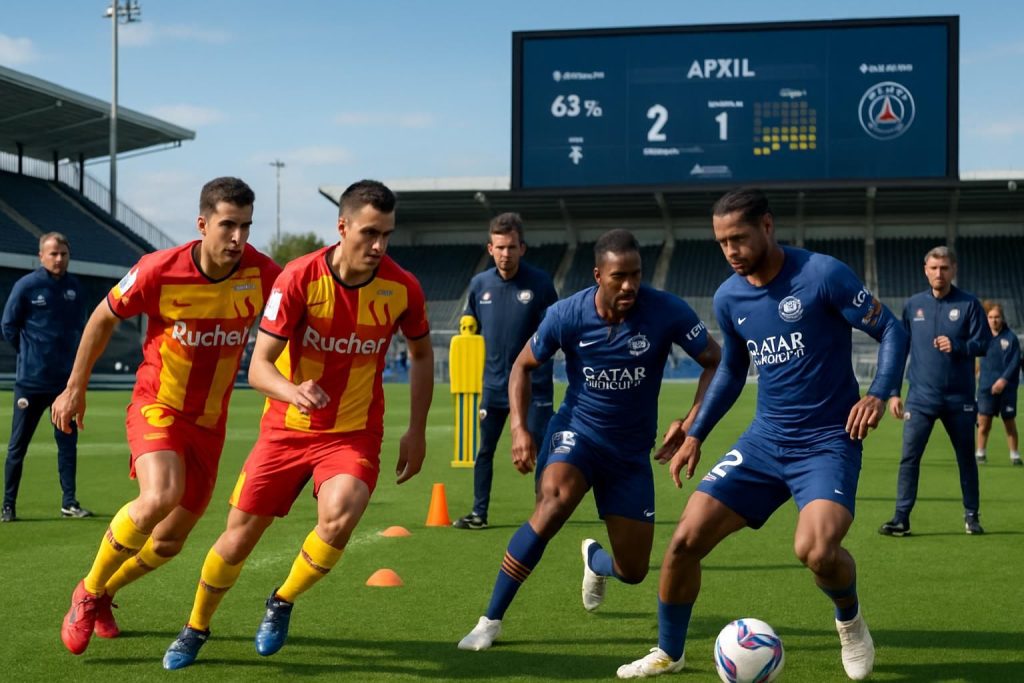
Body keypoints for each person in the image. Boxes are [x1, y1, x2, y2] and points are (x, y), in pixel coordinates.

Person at [616, 188, 908, 681]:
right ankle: (669, 651)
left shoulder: (823, 274)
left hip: (826, 442)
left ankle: (850, 620)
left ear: (767, 226)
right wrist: (696, 432)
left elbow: (892, 330)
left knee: (817, 552)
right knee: (684, 541)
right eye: (721, 242)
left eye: (738, 238)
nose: (730, 250)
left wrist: (878, 393)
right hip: (764, 442)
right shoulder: (729, 297)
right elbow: (732, 370)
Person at [161, 179, 433, 670]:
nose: (379, 246)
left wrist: (417, 429)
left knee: (342, 513)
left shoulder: (403, 287)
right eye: (370, 233)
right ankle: (196, 626)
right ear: (342, 226)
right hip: (285, 430)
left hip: (351, 433)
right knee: (238, 537)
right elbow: (259, 367)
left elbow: (420, 355)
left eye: (387, 235)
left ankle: (282, 599)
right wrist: (293, 391)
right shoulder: (299, 277)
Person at [458, 228, 721, 653]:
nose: (629, 285)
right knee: (553, 504)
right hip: (577, 432)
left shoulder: (666, 310)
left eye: (636, 274)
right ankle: (490, 621)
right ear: (598, 275)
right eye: (619, 276)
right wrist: (520, 428)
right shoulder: (567, 314)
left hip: (630, 453)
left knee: (633, 570)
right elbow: (522, 365)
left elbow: (714, 360)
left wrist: (691, 421)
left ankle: (596, 561)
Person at [53, 177, 281, 655]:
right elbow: (102, 317)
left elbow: (298, 315)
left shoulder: (263, 273)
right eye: (228, 225)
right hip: (157, 405)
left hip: (210, 425)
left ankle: (107, 592)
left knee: (169, 542)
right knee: (160, 494)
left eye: (246, 226)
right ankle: (87, 592)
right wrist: (75, 387)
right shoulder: (157, 269)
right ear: (202, 224)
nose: (238, 237)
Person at [453, 212, 559, 530]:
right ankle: (478, 513)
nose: (505, 254)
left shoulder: (540, 284)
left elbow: (553, 332)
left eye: (511, 247)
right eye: (499, 247)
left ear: (522, 248)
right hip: (494, 387)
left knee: (542, 451)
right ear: (490, 249)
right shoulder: (479, 285)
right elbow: (470, 322)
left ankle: (544, 513)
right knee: (485, 450)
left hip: (535, 387)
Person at [879, 246, 989, 537]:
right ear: (925, 271)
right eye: (934, 268)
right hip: (921, 398)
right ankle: (901, 518)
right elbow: (900, 349)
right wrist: (893, 392)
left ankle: (971, 516)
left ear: (953, 270)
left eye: (944, 268)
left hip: (959, 399)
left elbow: (984, 344)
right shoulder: (913, 305)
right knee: (909, 458)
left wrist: (959, 346)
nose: (939, 273)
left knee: (966, 458)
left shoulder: (969, 304)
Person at [2, 233, 88, 522]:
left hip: (64, 386)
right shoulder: (26, 286)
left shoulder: (75, 288)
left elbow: (82, 330)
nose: (59, 259)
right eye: (53, 253)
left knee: (67, 445)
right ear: (41, 256)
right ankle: (8, 506)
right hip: (31, 383)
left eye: (63, 253)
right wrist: (30, 355)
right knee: (18, 446)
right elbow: (8, 326)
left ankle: (69, 503)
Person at [975, 301, 1020, 466]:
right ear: (986, 318)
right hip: (986, 388)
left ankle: (1015, 455)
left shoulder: (1011, 338)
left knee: (1009, 422)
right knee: (983, 423)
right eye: (990, 317)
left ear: (1002, 318)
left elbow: (1014, 363)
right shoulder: (982, 337)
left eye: (997, 317)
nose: (994, 320)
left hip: (1007, 389)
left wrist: (1003, 380)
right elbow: (975, 357)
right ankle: (980, 453)